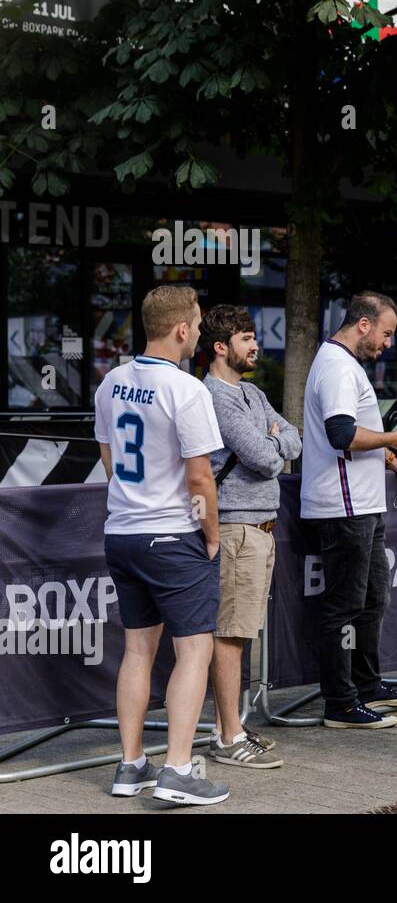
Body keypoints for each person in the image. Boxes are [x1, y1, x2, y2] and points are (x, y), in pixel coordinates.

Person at [96, 285, 230, 805]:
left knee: (136, 651)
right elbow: (201, 479)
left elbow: (109, 459)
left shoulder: (111, 383)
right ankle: (177, 769)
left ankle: (130, 765)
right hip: (172, 535)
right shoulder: (186, 390)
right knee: (193, 651)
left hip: (123, 531)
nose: (198, 332)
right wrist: (212, 536)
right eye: (197, 325)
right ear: (181, 330)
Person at [301, 291, 397, 729]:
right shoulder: (336, 365)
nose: (388, 344)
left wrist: (392, 460)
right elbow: (340, 433)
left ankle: (367, 684)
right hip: (343, 505)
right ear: (363, 325)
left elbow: (350, 432)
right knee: (344, 605)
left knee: (374, 598)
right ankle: (340, 703)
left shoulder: (342, 363)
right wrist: (394, 440)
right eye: (386, 333)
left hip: (361, 502)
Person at [200, 305, 301, 769]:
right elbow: (265, 458)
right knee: (230, 636)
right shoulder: (215, 397)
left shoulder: (254, 393)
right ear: (221, 347)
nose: (255, 345)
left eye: (253, 336)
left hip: (261, 527)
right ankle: (228, 737)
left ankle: (233, 727)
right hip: (237, 527)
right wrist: (274, 439)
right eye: (245, 338)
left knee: (240, 634)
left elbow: (293, 441)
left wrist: (277, 439)